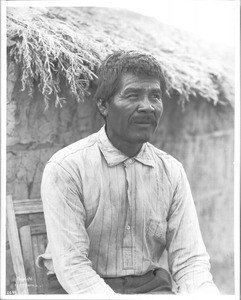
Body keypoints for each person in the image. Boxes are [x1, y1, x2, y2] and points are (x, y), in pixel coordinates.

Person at [37, 50, 220, 295]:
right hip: (76, 289)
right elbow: (72, 267)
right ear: (103, 105)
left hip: (150, 288)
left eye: (155, 96)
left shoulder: (171, 171)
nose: (147, 107)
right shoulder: (67, 168)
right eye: (132, 95)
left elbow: (191, 261)